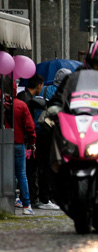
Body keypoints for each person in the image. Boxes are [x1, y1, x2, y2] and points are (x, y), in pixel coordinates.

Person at [18, 74, 58, 210]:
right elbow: (28, 122)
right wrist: (31, 139)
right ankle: (33, 199)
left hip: (29, 137)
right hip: (30, 138)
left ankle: (31, 198)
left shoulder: (26, 96)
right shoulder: (27, 99)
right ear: (39, 85)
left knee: (29, 169)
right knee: (31, 169)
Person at [4, 77, 35, 215]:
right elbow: (30, 127)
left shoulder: (3, 104)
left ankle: (10, 200)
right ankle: (27, 205)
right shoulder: (21, 105)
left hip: (3, 144)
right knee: (21, 174)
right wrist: (32, 143)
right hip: (19, 142)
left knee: (5, 173)